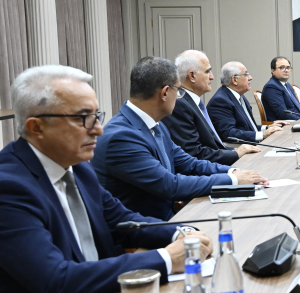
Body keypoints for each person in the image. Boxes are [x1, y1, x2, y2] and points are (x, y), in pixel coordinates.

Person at [0, 65, 214, 293]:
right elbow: (57, 281)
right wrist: (167, 258)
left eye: (97, 115)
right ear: (36, 127)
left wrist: (181, 234)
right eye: (84, 118)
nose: (98, 129)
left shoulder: (77, 167)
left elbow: (125, 222)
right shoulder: (5, 189)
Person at [93, 57, 268, 221]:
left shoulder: (156, 125)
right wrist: (233, 180)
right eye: (178, 91)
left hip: (170, 216)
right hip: (147, 228)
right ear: (165, 93)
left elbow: (189, 163)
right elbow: (170, 185)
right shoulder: (121, 137)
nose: (179, 98)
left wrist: (233, 172)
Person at [162, 50, 260, 166]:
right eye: (208, 71)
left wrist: (237, 150)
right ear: (192, 76)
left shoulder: (191, 102)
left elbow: (213, 146)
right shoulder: (180, 104)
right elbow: (193, 153)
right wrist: (236, 154)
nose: (212, 77)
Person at [207, 62, 286, 143]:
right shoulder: (220, 101)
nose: (250, 78)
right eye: (246, 74)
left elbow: (248, 127)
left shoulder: (239, 96)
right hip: (241, 148)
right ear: (235, 80)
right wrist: (263, 135)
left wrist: (268, 127)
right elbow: (229, 133)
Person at [261, 56, 300, 122]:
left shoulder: (287, 85)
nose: (286, 70)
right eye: (282, 67)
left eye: (288, 67)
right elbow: (283, 114)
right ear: (273, 70)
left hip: (297, 121)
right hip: (285, 125)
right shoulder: (271, 87)